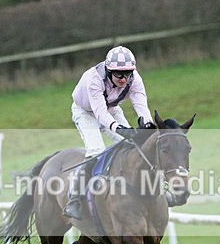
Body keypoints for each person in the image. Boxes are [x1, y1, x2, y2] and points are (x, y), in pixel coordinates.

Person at [64, 45, 153, 220]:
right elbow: (99, 113)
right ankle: (74, 199)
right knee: (96, 151)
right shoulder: (94, 79)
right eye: (119, 74)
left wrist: (147, 123)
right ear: (108, 70)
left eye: (128, 73)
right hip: (86, 112)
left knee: (133, 145)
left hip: (112, 109)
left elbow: (141, 103)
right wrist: (119, 129)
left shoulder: (134, 79)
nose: (124, 79)